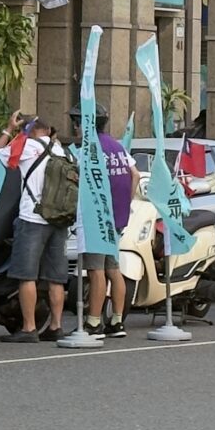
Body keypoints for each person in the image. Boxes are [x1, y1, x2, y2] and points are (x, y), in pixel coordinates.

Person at [0, 116, 70, 342]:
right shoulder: (62, 151)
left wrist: (10, 129)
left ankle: (29, 328)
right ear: (48, 130)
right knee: (56, 277)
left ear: (28, 130)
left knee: (26, 275)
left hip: (32, 219)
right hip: (59, 219)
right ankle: (56, 325)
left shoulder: (26, 146)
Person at [74, 105, 136, 339]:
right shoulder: (117, 146)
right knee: (113, 268)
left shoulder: (89, 149)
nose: (76, 128)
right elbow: (136, 175)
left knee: (96, 270)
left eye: (77, 123)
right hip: (117, 217)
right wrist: (124, 204)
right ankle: (117, 321)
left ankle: (93, 322)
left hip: (96, 217)